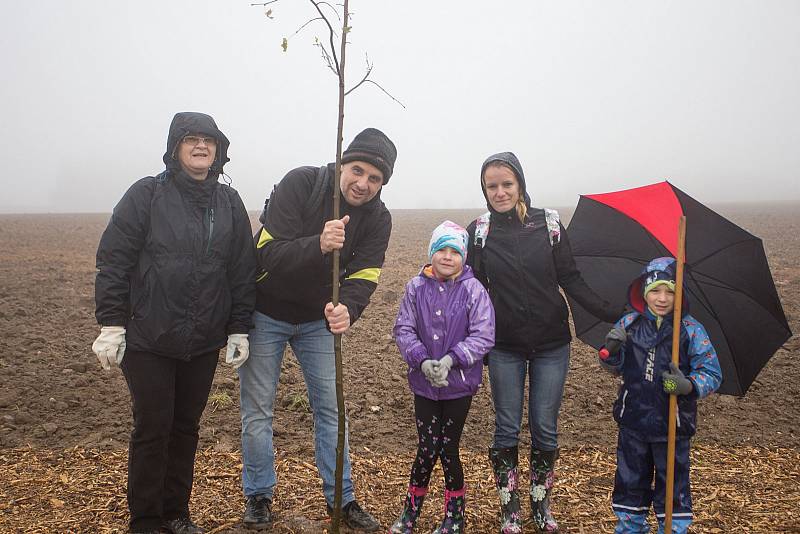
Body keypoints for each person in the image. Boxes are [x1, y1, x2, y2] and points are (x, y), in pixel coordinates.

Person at [92, 112, 256, 534]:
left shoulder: (229, 202)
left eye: (209, 140)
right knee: (153, 426)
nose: (201, 146)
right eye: (191, 139)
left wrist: (238, 326)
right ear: (175, 147)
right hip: (148, 336)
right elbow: (114, 260)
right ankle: (146, 519)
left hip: (202, 340)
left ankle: (176, 512)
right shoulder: (146, 195)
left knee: (186, 427)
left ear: (219, 151)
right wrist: (112, 322)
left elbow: (241, 268)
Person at [238, 128, 396, 531]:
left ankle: (341, 502)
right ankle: (258, 496)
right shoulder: (301, 184)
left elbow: (365, 272)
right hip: (266, 314)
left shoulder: (378, 217)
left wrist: (350, 308)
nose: (363, 184)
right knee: (258, 410)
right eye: (357, 170)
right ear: (342, 163)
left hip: (318, 321)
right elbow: (267, 251)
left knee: (332, 410)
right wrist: (319, 244)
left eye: (375, 179)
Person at [465, 152, 621, 533]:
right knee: (505, 427)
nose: (500, 192)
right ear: (484, 190)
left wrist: (613, 313)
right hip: (504, 346)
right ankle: (510, 509)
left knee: (545, 428)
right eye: (492, 186)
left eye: (507, 184)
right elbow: (471, 289)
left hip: (552, 343)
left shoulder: (548, 223)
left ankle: (540, 505)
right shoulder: (480, 231)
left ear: (520, 183)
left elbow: (570, 277)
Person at [598, 257, 722, 534]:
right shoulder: (629, 323)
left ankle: (673, 528)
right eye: (655, 291)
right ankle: (630, 527)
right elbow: (615, 368)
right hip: (633, 421)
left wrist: (687, 385)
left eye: (670, 291)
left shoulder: (690, 330)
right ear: (643, 292)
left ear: (680, 294)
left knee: (673, 485)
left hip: (673, 426)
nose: (662, 298)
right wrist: (612, 352)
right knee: (630, 481)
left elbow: (712, 373)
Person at [390, 221, 495, 534]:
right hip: (424, 385)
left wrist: (452, 360)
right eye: (441, 250)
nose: (447, 257)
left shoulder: (473, 289)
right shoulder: (415, 287)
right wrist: (422, 361)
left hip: (459, 386)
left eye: (454, 251)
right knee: (426, 448)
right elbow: (403, 329)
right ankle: (410, 513)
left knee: (448, 449)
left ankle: (455, 516)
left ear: (463, 256)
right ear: (431, 253)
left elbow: (484, 334)